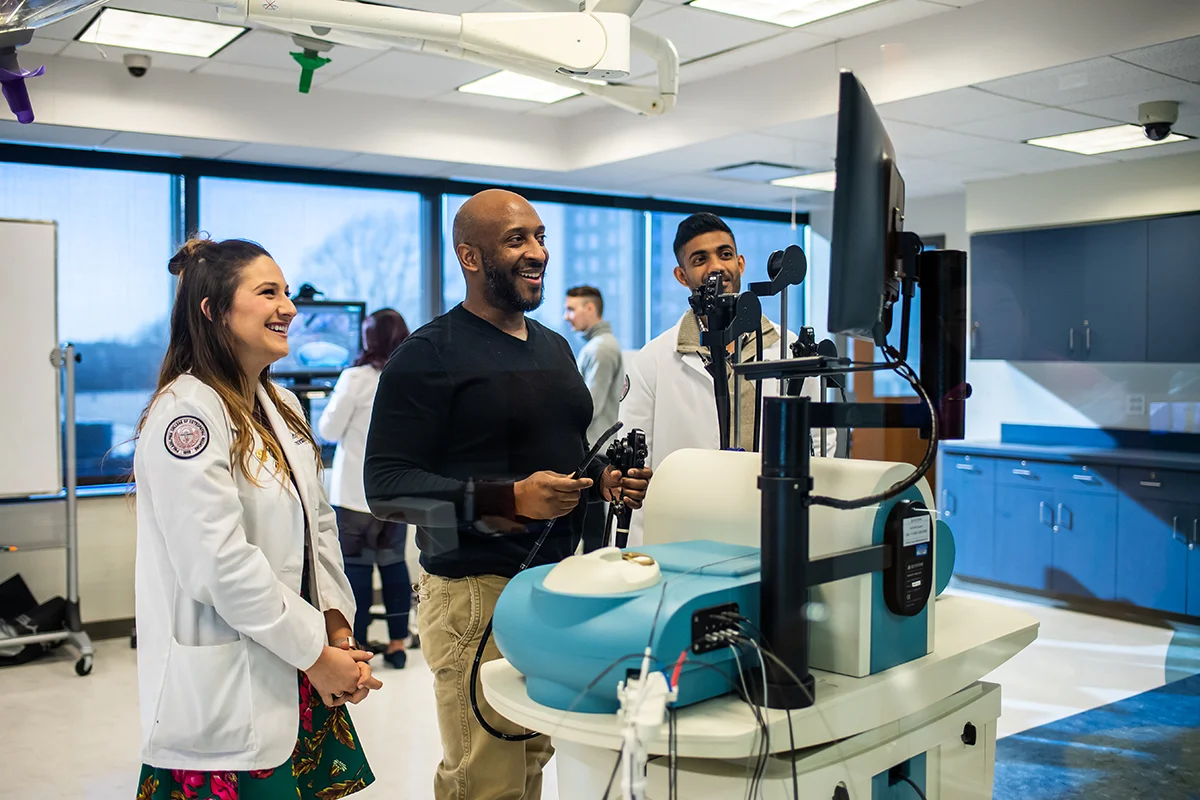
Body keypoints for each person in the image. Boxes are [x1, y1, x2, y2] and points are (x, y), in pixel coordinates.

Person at [363, 188, 652, 800]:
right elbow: (386, 488)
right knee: (484, 777)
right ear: (470, 256)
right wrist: (509, 499)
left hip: (553, 584)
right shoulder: (426, 355)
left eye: (541, 237)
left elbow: (557, 456)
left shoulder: (553, 346)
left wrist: (599, 482)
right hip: (474, 594)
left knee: (528, 761)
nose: (537, 252)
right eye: (517, 240)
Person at [132, 238, 381, 800]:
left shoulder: (282, 407)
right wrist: (317, 654)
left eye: (287, 293)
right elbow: (217, 565)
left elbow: (318, 527)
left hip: (299, 664)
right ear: (213, 310)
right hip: (234, 683)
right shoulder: (186, 415)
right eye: (268, 292)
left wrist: (336, 628)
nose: (289, 307)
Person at [620, 212, 836, 543]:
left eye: (724, 254)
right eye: (700, 259)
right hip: (688, 532)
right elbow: (636, 467)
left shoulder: (791, 350)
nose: (716, 267)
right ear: (682, 275)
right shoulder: (653, 360)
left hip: (772, 523)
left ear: (741, 263)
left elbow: (822, 444)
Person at [318, 307, 413, 669]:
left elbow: (327, 430)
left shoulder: (356, 378)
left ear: (368, 339)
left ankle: (358, 650)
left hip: (356, 493)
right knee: (393, 566)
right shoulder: (409, 377)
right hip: (396, 492)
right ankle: (398, 644)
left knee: (355, 568)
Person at [563, 285, 624, 552]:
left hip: (595, 453)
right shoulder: (597, 347)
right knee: (592, 532)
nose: (567, 316)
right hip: (593, 449)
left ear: (590, 308)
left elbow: (589, 406)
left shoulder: (601, 349)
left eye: (571, 309)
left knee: (593, 535)